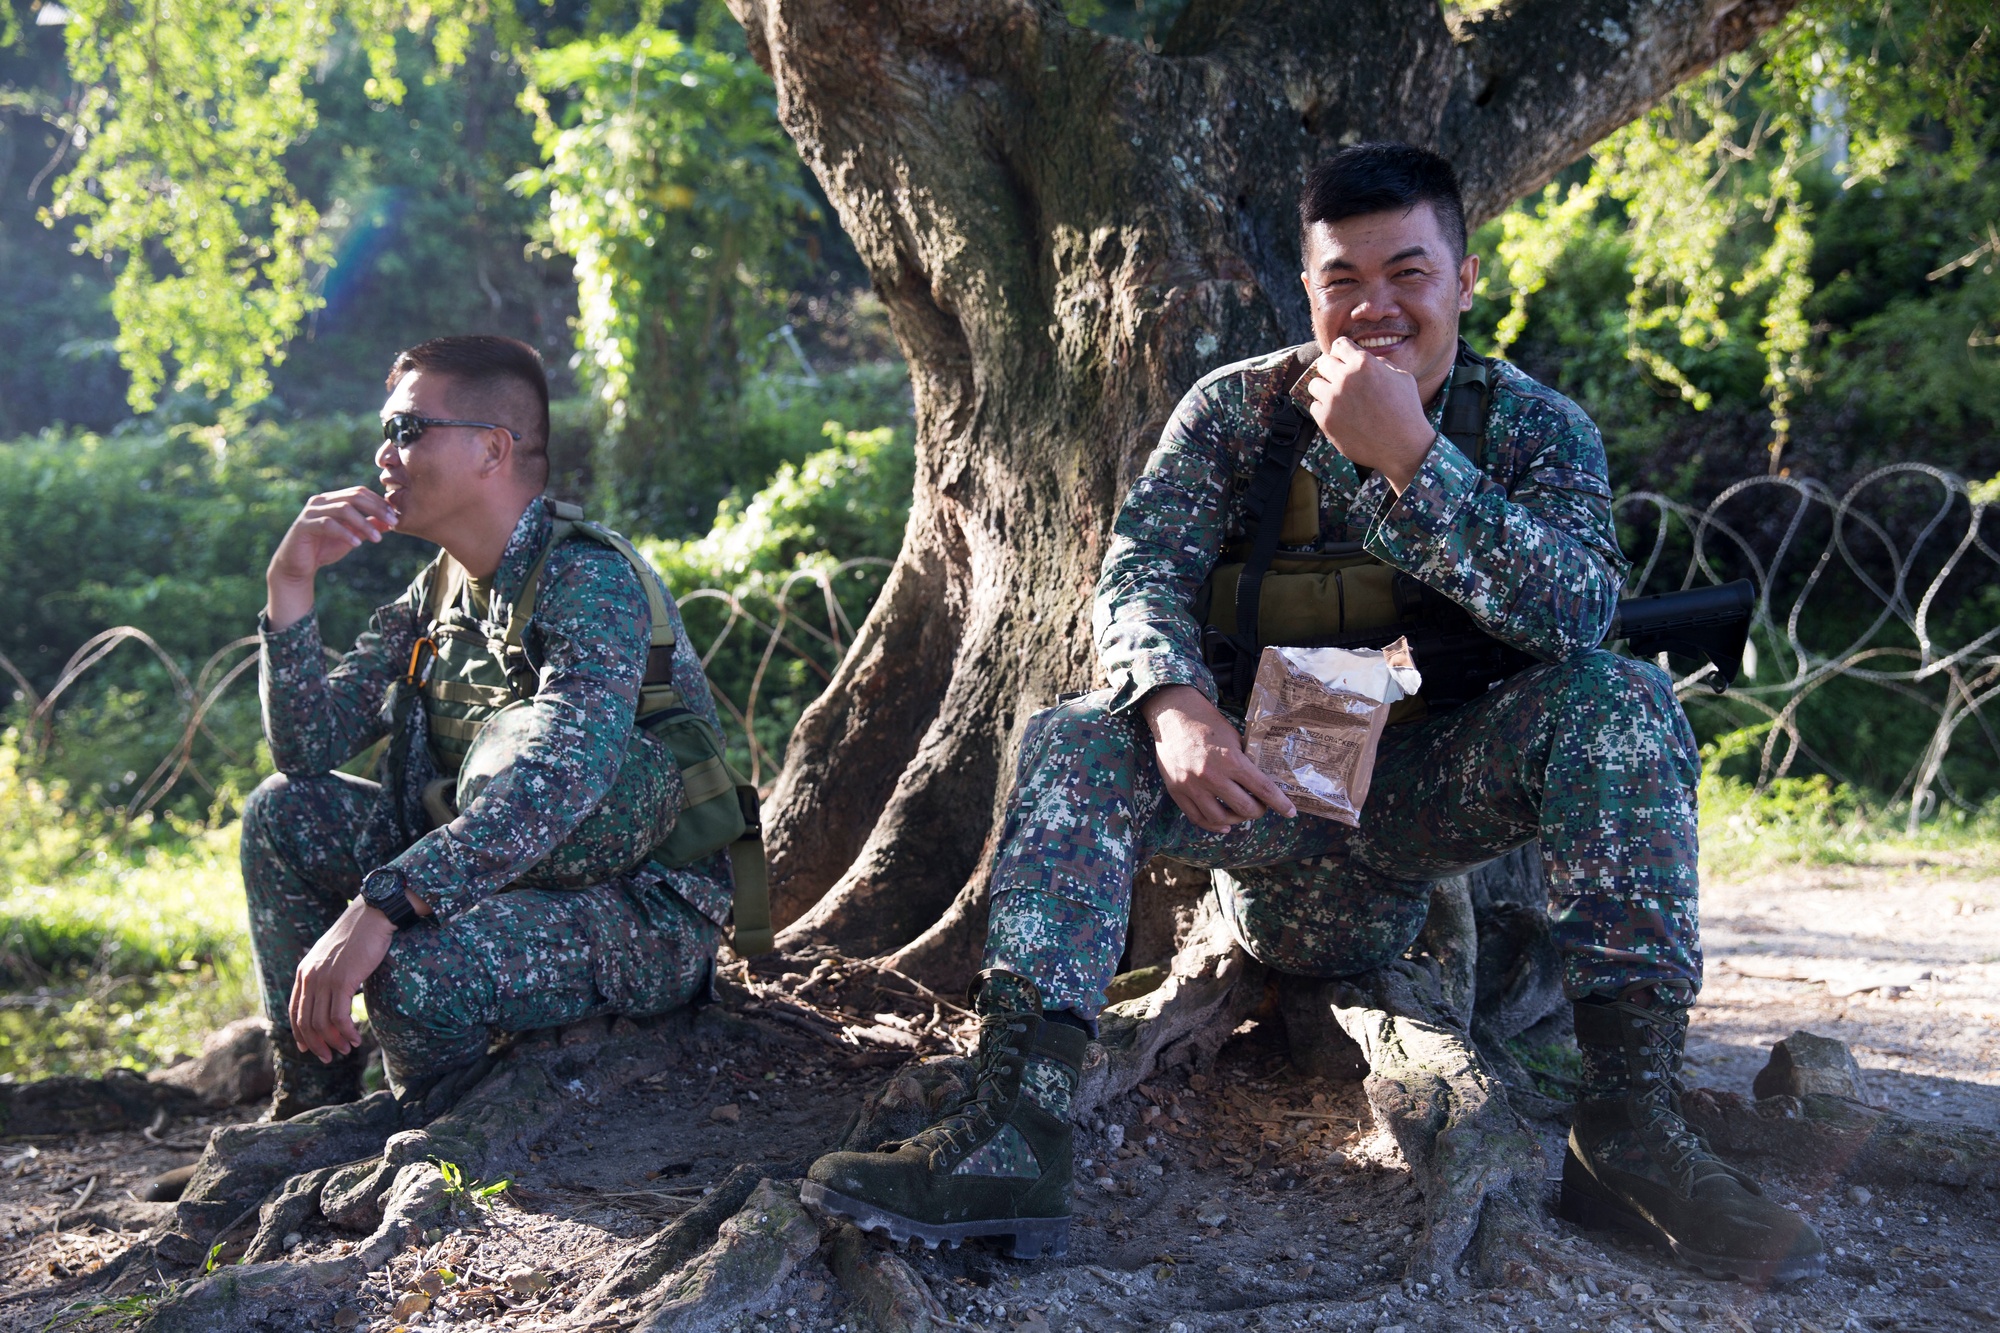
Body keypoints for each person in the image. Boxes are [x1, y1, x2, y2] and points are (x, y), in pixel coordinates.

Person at [801, 145, 1824, 1282]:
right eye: (1343, 279)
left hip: (1427, 801)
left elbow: (1577, 614)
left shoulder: (1533, 427)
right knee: (1075, 734)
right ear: (1307, 288)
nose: (1374, 306)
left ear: (1464, 280)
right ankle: (1012, 1129)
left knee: (1619, 699)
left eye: (1408, 272)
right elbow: (1138, 570)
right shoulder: (1235, 412)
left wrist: (1412, 462)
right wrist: (1174, 704)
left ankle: (1628, 1127)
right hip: (1259, 794)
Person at [246, 334, 731, 1118]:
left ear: (492, 450)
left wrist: (386, 902)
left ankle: (429, 1138)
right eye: (386, 432)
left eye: (408, 430)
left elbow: (562, 780)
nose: (384, 453)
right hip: (491, 874)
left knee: (413, 970)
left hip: (637, 907)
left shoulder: (588, 580)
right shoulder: (438, 591)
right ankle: (311, 1112)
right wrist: (290, 584)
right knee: (280, 813)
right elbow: (305, 750)